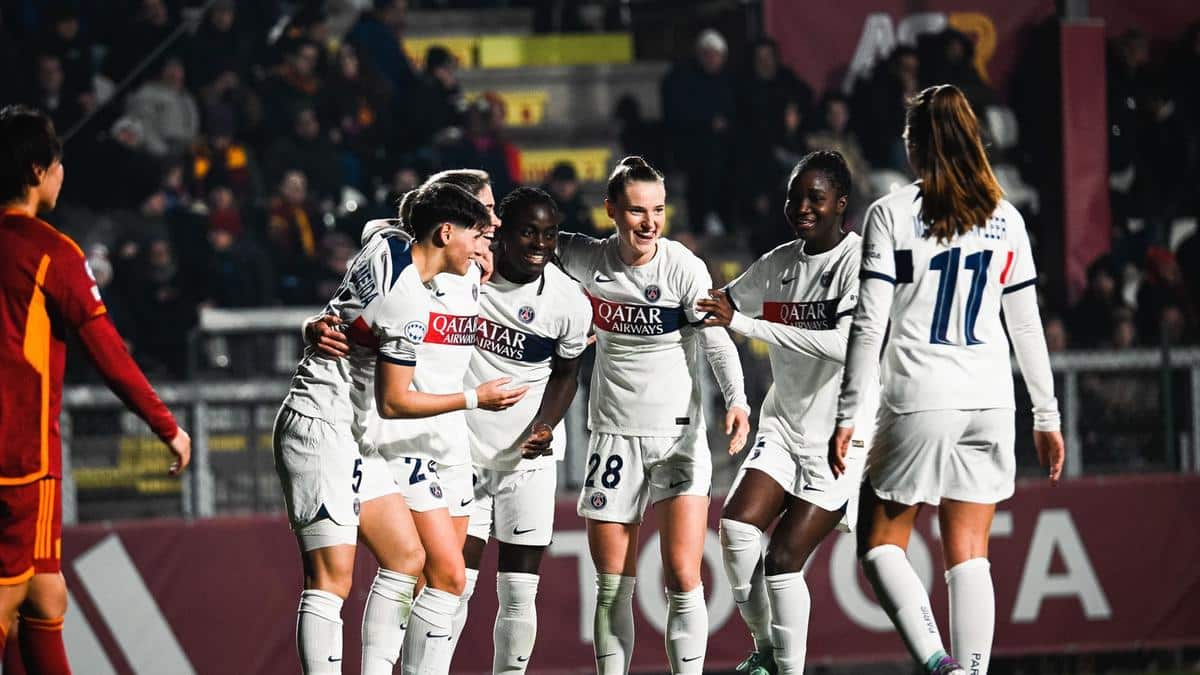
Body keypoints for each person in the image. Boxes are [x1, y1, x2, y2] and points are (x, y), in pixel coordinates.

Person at [829, 85, 1065, 675]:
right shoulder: (1005, 218)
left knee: (879, 543)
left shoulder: (890, 213)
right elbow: (1027, 329)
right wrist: (1047, 416)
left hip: (920, 397)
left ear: (915, 146)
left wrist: (848, 415)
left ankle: (940, 664)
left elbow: (868, 325)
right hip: (990, 399)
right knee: (969, 554)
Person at [274, 182, 519, 675]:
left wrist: (316, 324)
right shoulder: (408, 302)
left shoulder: (386, 245)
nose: (480, 246)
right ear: (446, 232)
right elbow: (394, 400)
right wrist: (477, 398)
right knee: (330, 579)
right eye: (475, 234)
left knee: (407, 558)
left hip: (357, 433)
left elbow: (349, 300)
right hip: (322, 423)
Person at [0, 105, 191, 674]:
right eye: (58, 165)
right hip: (18, 459)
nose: (63, 176)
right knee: (9, 595)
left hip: (31, 459)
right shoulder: (51, 252)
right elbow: (109, 352)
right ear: (38, 171)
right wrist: (168, 426)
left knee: (43, 591)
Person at [556, 156, 750, 674]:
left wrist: (736, 399)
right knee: (612, 585)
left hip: (678, 437)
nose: (649, 223)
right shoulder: (584, 257)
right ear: (611, 211)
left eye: (658, 210)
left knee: (684, 575)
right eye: (637, 211)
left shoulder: (683, 267)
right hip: (613, 436)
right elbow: (524, 245)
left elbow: (716, 339)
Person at [697, 151, 878, 675]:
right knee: (734, 529)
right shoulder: (778, 264)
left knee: (780, 563)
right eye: (795, 197)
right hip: (783, 422)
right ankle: (768, 653)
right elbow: (719, 305)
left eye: (815, 198)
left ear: (841, 205)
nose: (801, 207)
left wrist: (746, 326)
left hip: (842, 435)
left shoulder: (859, 263)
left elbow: (846, 345)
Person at [449, 187, 592, 672]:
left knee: (518, 592)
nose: (540, 243)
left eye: (549, 234)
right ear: (501, 232)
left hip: (528, 462)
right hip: (464, 455)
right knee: (452, 584)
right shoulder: (465, 275)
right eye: (528, 231)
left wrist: (546, 424)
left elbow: (568, 374)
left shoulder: (568, 302)